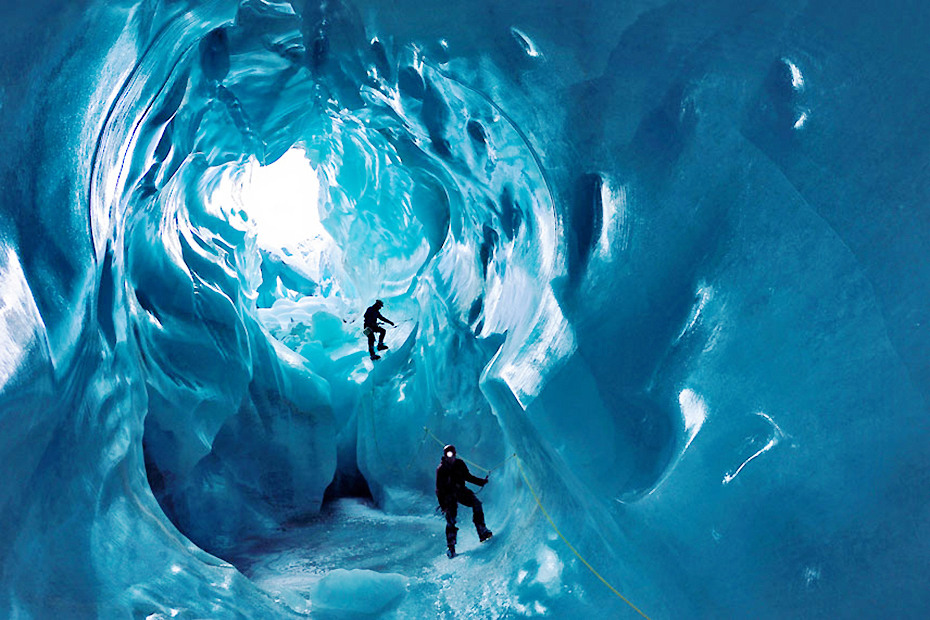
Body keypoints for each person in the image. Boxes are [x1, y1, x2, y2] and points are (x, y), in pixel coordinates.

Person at [436, 444, 492, 558]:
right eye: (448, 455)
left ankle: (482, 531)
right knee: (451, 520)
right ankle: (451, 548)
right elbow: (439, 489)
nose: (451, 458)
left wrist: (481, 482)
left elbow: (468, 477)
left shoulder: (459, 464)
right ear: (445, 456)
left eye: (452, 455)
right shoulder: (441, 470)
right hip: (449, 496)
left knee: (477, 504)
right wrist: (443, 505)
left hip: (461, 491)